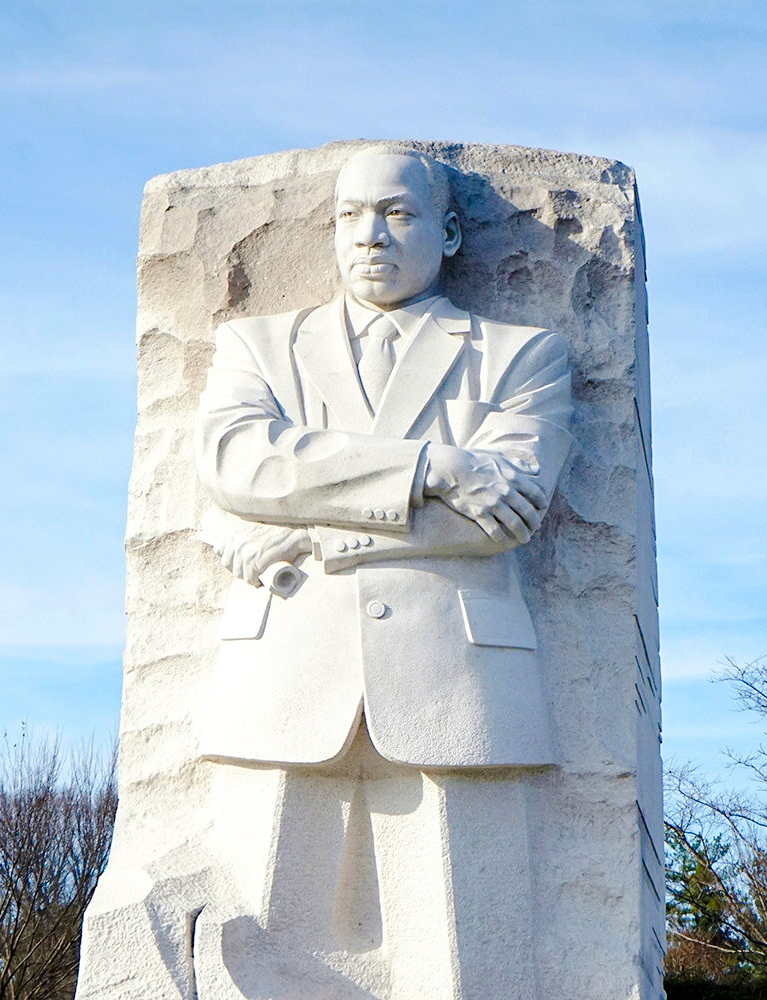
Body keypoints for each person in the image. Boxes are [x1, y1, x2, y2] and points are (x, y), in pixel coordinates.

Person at [192, 146, 575, 1000]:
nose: (369, 236)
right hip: (284, 672)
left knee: (473, 962)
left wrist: (320, 529)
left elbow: (502, 515)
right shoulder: (258, 348)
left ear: (445, 232)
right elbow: (238, 467)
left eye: (396, 214)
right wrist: (433, 466)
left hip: (461, 683)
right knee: (248, 957)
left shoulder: (520, 356)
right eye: (350, 215)